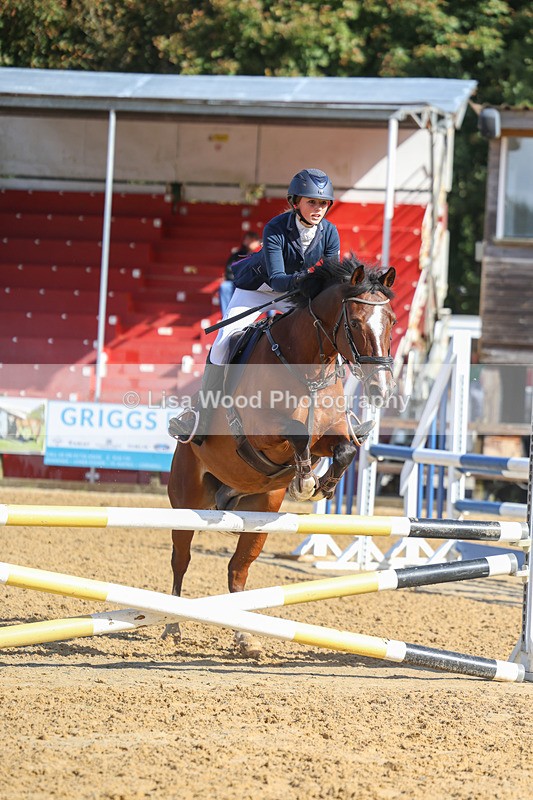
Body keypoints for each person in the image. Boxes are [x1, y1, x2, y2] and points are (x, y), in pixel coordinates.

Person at [169, 168, 340, 445]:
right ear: (295, 202)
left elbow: (331, 275)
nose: (318, 209)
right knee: (224, 342)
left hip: (295, 291)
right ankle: (201, 413)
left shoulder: (330, 233)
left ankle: (337, 412)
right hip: (257, 289)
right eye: (312, 202)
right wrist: (309, 280)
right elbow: (276, 278)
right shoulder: (275, 228)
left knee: (330, 330)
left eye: (323, 203)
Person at [219, 230, 262, 315]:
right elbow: (229, 269)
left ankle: (270, 316)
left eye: (251, 240)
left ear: (257, 241)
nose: (248, 242)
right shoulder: (238, 254)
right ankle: (227, 316)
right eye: (247, 239)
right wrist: (238, 279)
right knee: (225, 286)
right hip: (238, 281)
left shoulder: (263, 252)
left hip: (257, 282)